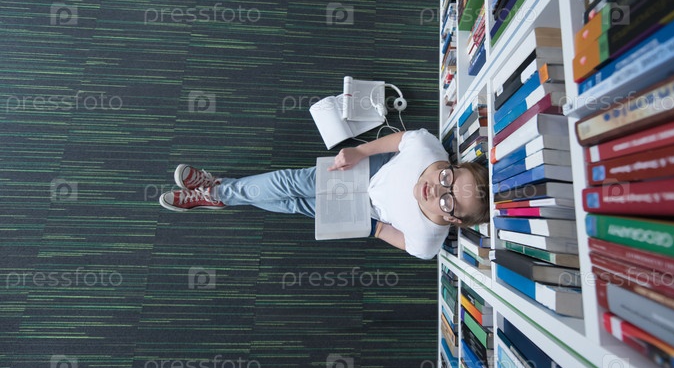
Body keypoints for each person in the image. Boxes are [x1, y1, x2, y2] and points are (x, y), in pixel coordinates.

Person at [159, 129, 490, 259]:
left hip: (365, 212)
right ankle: (221, 191)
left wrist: (367, 226)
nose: (436, 188)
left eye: (447, 199)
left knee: (295, 204)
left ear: (452, 219)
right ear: (453, 165)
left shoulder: (428, 241)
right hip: (369, 171)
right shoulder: (428, 149)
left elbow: (391, 235)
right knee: (290, 182)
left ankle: (218, 193)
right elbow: (400, 140)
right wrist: (360, 151)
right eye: (447, 176)